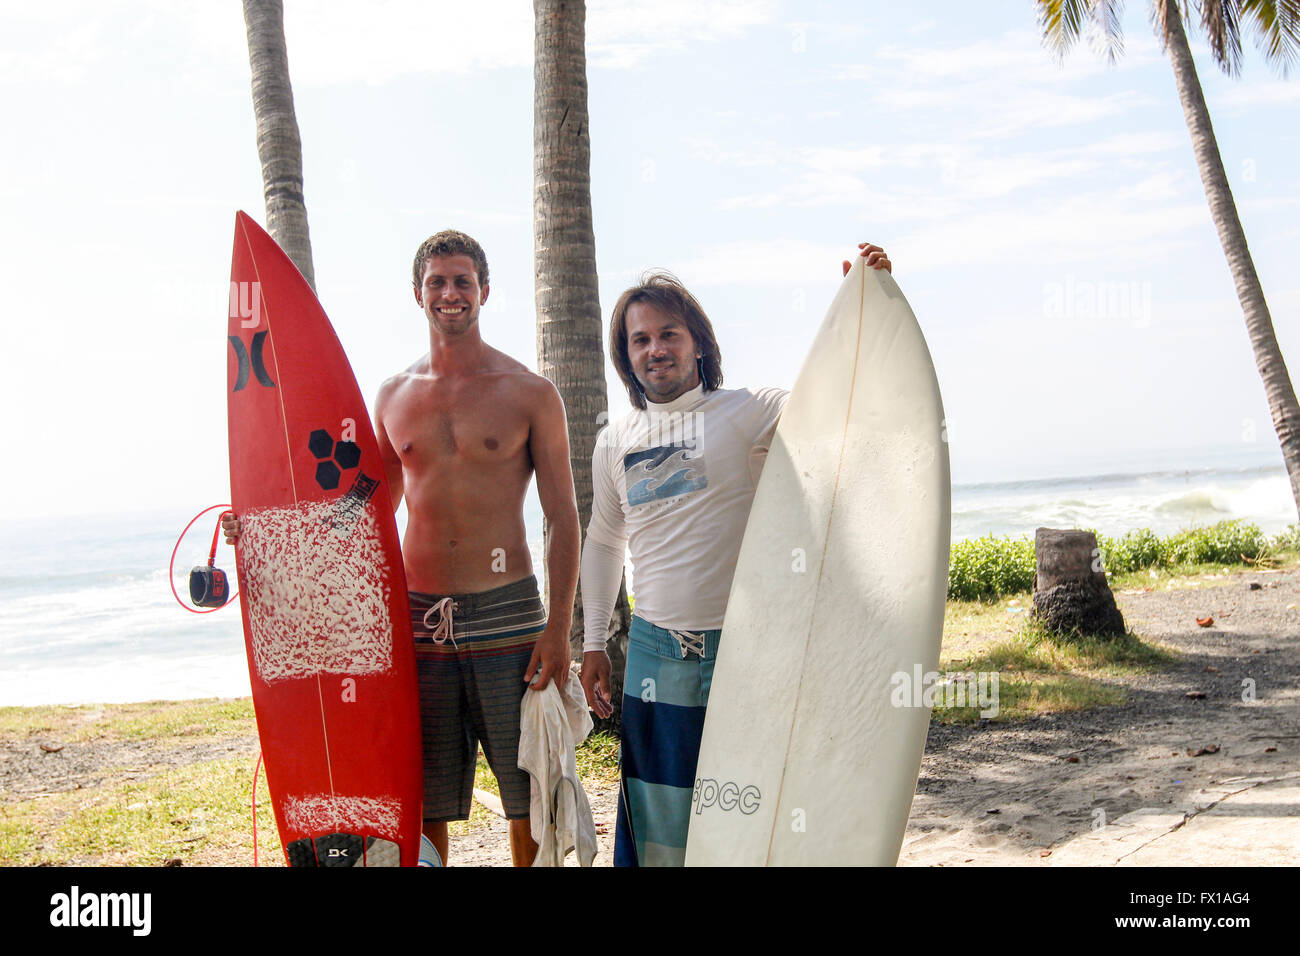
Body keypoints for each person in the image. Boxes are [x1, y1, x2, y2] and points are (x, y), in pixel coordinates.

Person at [225, 230, 579, 867]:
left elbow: (563, 517)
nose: (450, 294)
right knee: (426, 797)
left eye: (462, 281)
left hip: (509, 614)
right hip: (418, 622)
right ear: (418, 294)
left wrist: (558, 631)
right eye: (438, 282)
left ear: (485, 292)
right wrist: (265, 530)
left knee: (528, 792)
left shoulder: (529, 393)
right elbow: (361, 511)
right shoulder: (392, 397)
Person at [578, 242, 891, 867]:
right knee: (658, 808)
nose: (655, 348)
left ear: (698, 343)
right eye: (639, 339)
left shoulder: (749, 411)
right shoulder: (615, 441)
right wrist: (592, 645)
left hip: (745, 645)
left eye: (669, 333)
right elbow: (604, 543)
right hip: (654, 648)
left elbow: (838, 401)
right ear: (626, 355)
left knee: (752, 801)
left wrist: (863, 306)